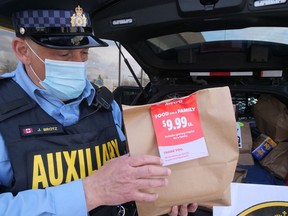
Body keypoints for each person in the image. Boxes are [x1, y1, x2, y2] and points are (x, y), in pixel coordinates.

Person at [0, 5, 198, 216]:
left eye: (84, 53)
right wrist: (89, 193)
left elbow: (127, 172)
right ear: (22, 51)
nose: (78, 64)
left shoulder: (104, 103)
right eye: (64, 54)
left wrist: (168, 192)